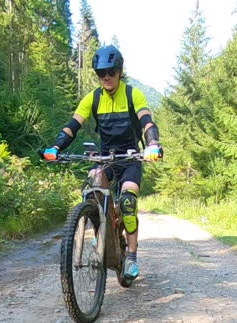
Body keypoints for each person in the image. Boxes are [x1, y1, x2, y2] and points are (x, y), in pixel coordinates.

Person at [43, 45, 162, 280]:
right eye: (101, 73)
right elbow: (73, 125)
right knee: (92, 190)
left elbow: (147, 122)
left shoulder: (132, 94)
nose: (106, 77)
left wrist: (152, 145)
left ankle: (132, 257)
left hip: (130, 158)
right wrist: (56, 147)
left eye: (111, 72)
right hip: (105, 157)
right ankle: (101, 233)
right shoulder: (93, 98)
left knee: (127, 202)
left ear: (119, 72)